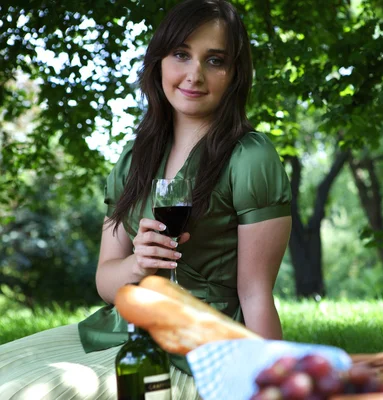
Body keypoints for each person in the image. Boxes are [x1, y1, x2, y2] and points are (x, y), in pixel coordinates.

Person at [0, 0, 292, 398]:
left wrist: (273, 385)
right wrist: (138, 263)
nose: (195, 74)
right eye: (181, 54)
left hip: (200, 346)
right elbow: (106, 280)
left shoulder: (250, 158)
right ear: (158, 62)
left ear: (235, 73)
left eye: (215, 60)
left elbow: (255, 292)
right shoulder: (133, 159)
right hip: (123, 331)